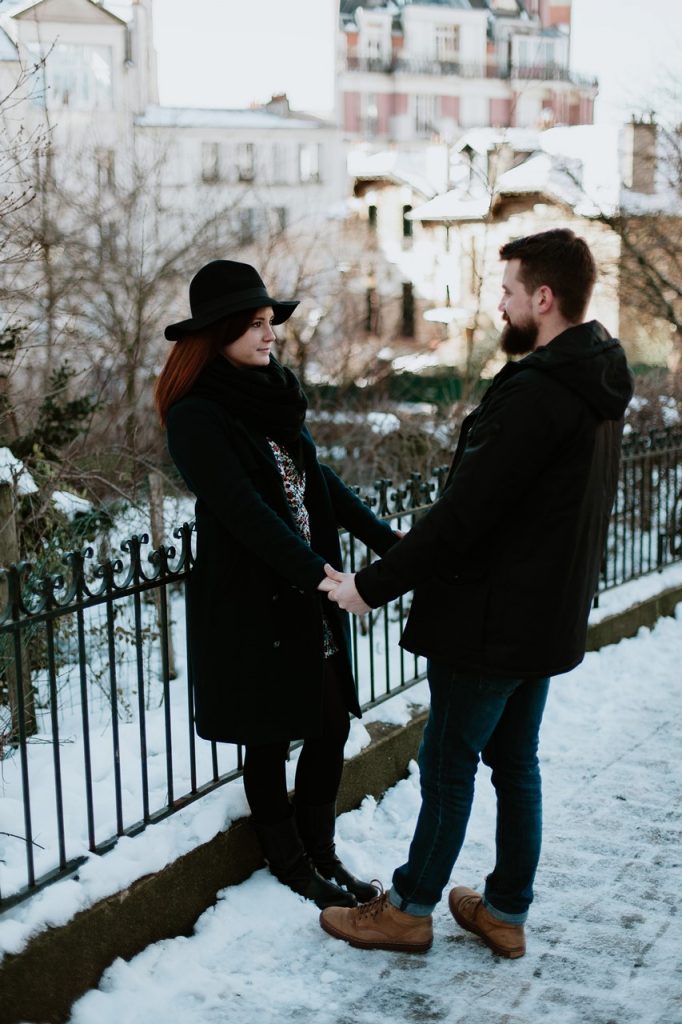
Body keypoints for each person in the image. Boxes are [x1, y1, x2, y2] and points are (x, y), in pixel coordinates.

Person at [317, 228, 634, 956]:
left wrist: (372, 585)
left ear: (544, 299)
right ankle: (505, 911)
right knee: (515, 762)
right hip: (544, 618)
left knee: (448, 762)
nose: (500, 305)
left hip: (491, 621)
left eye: (509, 292)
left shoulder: (537, 392)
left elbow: (465, 515)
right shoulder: (599, 379)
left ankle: (408, 907)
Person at [155, 259, 400, 909]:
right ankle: (290, 862)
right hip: (253, 601)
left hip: (309, 587)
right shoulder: (197, 416)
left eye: (271, 323)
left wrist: (392, 546)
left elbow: (322, 486)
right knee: (267, 739)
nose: (270, 336)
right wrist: (319, 577)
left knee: (329, 727)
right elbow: (242, 510)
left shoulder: (274, 397)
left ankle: (321, 851)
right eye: (257, 324)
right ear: (220, 332)